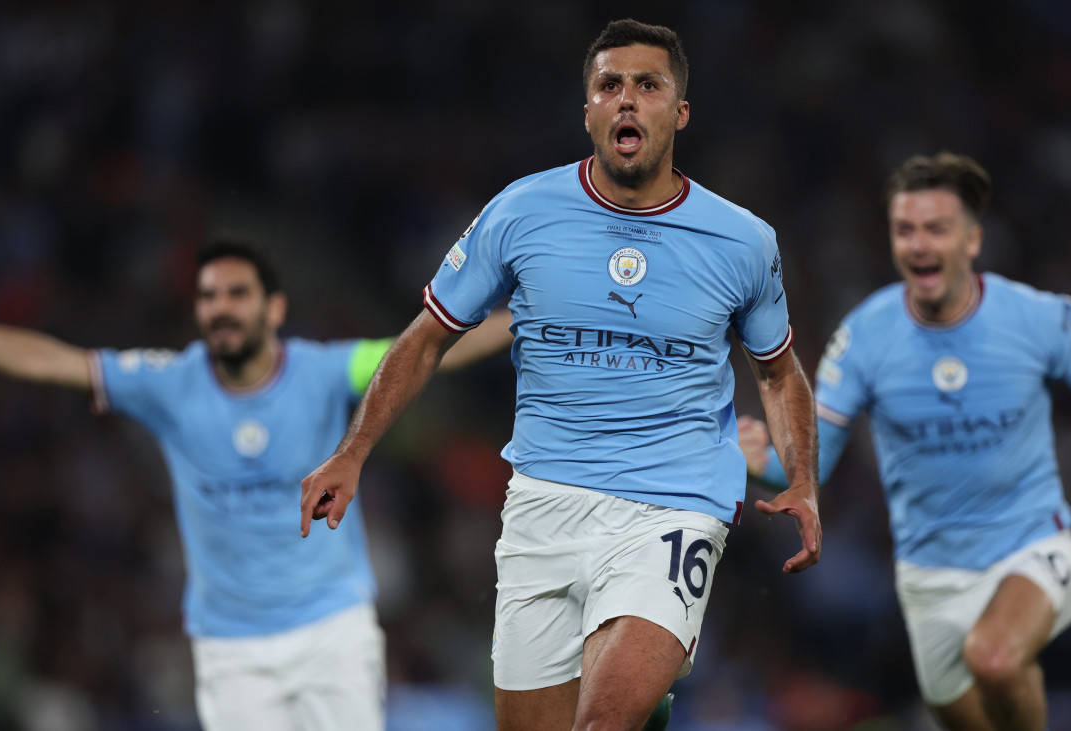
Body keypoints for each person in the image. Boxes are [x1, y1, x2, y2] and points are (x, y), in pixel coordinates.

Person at [299, 18, 822, 731]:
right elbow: (425, 340)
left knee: (600, 723)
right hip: (544, 502)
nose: (628, 100)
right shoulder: (521, 212)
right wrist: (353, 450)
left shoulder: (742, 240)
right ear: (589, 111)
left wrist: (803, 479)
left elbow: (777, 370)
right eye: (610, 85)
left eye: (649, 85)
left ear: (680, 111)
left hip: (673, 503)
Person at [0, 240, 512, 731]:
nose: (220, 308)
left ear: (273, 308)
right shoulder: (169, 384)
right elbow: (54, 361)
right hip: (231, 648)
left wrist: (533, 314)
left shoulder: (326, 371)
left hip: (332, 630)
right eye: (208, 297)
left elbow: (431, 348)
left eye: (236, 294)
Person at [740, 152, 1071, 730]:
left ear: (972, 239)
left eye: (936, 229)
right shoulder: (865, 335)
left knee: (993, 658)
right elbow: (816, 461)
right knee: (968, 712)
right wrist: (761, 464)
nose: (919, 245)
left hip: (1031, 545)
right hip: (930, 577)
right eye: (905, 230)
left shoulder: (1038, 317)